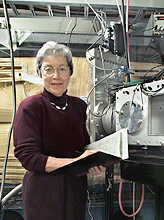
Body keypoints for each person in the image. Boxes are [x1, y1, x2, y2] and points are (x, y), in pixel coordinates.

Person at [13, 41, 106, 220]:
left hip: (74, 187)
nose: (56, 76)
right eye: (48, 69)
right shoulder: (31, 106)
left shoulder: (78, 106)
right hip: (43, 191)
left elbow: (82, 146)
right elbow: (27, 156)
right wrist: (75, 163)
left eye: (62, 69)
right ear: (40, 73)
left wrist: (93, 162)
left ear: (70, 72)